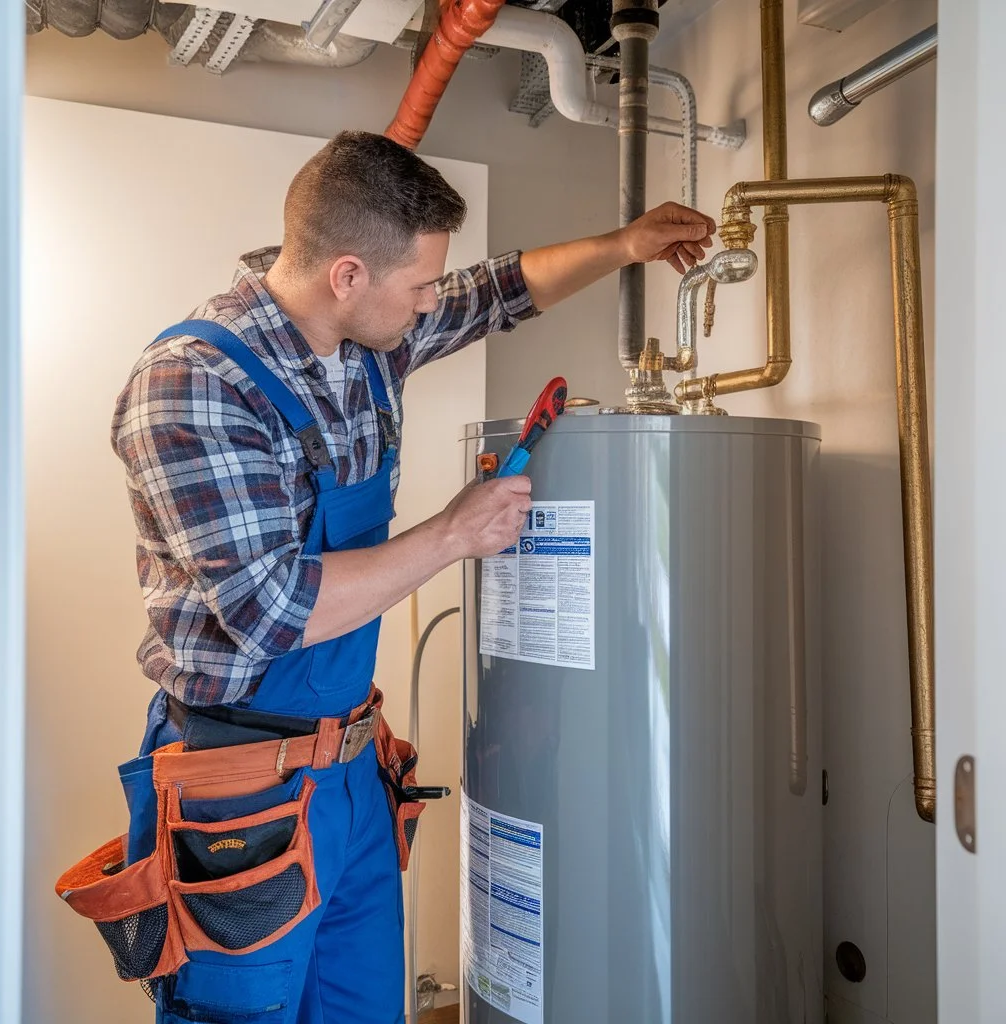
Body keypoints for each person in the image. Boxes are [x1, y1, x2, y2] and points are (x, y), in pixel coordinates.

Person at [106, 130, 715, 1024]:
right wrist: (453, 533)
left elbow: (498, 291)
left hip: (348, 766)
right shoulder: (193, 384)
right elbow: (271, 612)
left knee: (361, 1011)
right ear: (347, 275)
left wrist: (627, 244)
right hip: (240, 780)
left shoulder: (365, 343)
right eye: (421, 284)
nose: (434, 301)